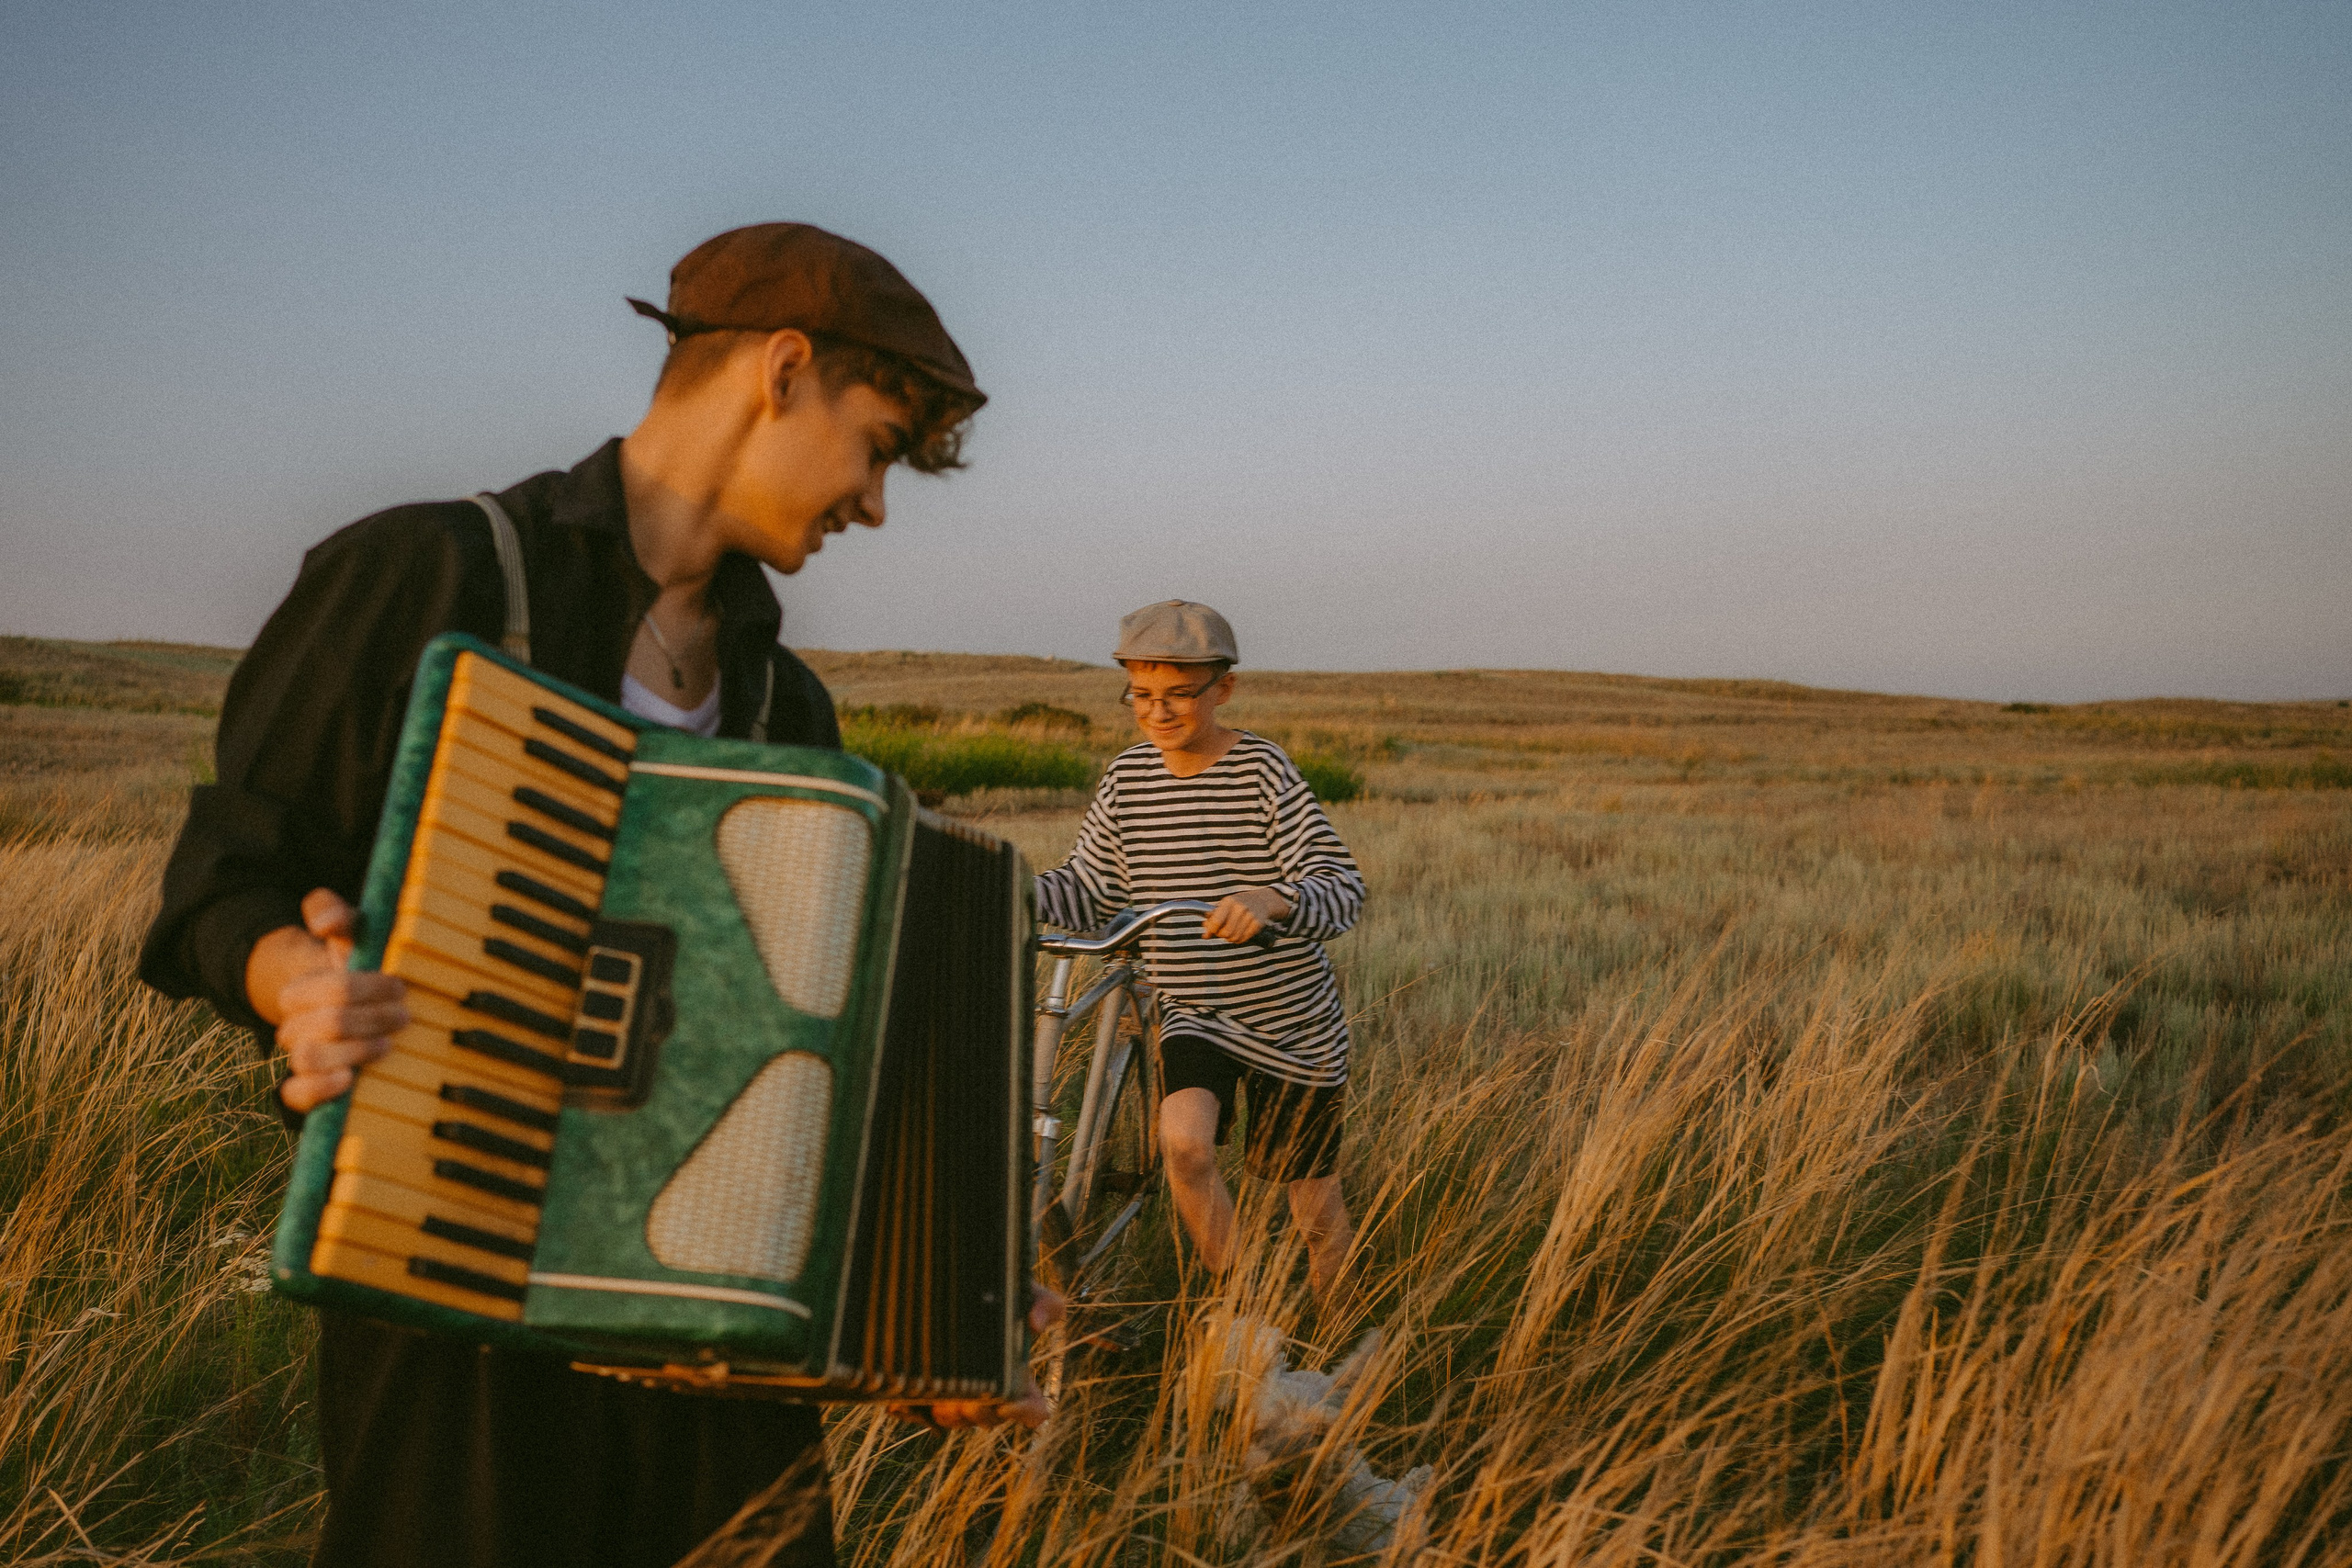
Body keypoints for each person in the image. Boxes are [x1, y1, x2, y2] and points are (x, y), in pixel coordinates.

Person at [138, 223, 1045, 1568]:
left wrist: (913, 1313)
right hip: (454, 1321)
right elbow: (219, 885)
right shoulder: (424, 573)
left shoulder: (790, 709)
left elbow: (826, 1067)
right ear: (783, 371)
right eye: (879, 446)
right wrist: (297, 980)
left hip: (724, 1380)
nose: (875, 503)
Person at [1033, 601, 1368, 1324]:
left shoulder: (1262, 770)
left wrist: (1273, 898)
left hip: (1291, 1021)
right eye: (1142, 694)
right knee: (1183, 1145)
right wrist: (1010, 888)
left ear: (1222, 689)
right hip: (1194, 1008)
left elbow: (1341, 887)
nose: (1159, 710)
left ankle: (1338, 1338)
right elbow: (1087, 889)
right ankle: (1247, 1310)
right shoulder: (1126, 780)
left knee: (1312, 1205)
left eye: (1180, 693)